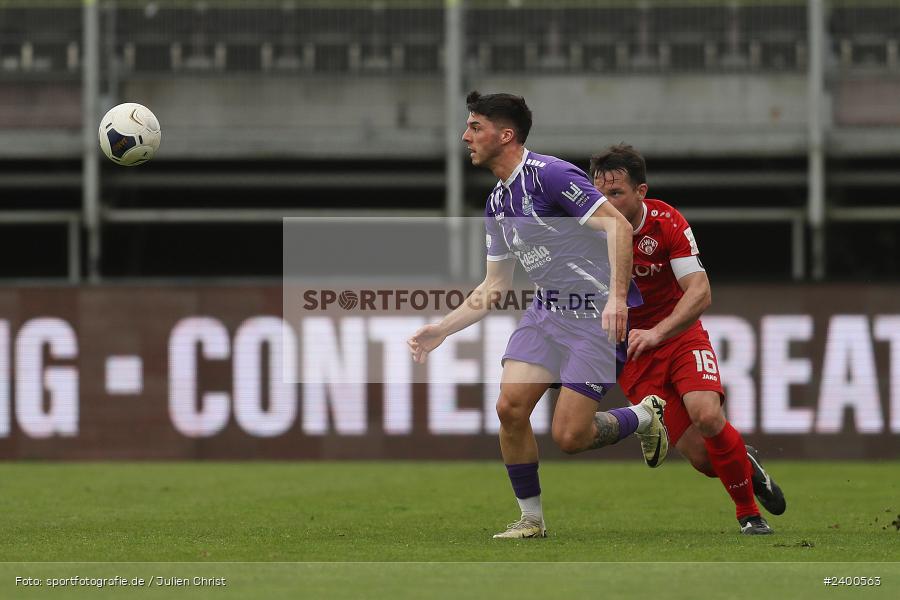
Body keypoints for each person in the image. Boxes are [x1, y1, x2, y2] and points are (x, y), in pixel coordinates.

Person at [407, 92, 668, 539]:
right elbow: (495, 286)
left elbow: (617, 226)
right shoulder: (496, 204)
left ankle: (643, 417)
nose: (465, 135)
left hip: (594, 315)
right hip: (547, 311)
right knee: (509, 407)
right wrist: (442, 330)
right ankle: (531, 519)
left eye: (475, 126)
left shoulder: (550, 176)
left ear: (505, 135)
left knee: (571, 437)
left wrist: (618, 300)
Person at [589, 143, 786, 535]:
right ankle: (747, 465)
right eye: (600, 195)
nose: (605, 203)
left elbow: (700, 290)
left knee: (708, 415)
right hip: (633, 355)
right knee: (702, 458)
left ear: (641, 192)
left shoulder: (667, 222)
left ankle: (749, 515)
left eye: (616, 194)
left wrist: (660, 331)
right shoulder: (589, 232)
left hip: (678, 336)